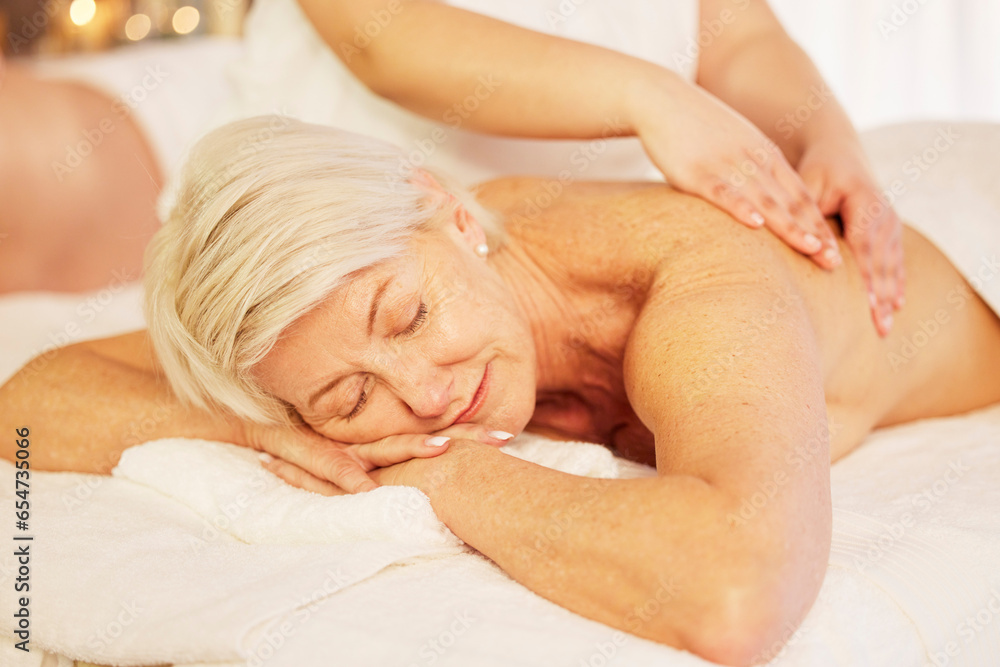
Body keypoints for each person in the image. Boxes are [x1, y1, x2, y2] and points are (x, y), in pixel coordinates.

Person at [2, 117, 998, 665]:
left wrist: (448, 482)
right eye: (351, 398)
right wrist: (260, 425)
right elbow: (26, 402)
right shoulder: (315, 316)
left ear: (450, 216)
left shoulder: (687, 282)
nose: (425, 397)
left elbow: (739, 597)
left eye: (409, 318)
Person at [227, 0, 906, 334]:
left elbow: (741, 39)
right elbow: (385, 38)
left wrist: (826, 135)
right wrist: (652, 98)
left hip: (586, 268)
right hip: (330, 271)